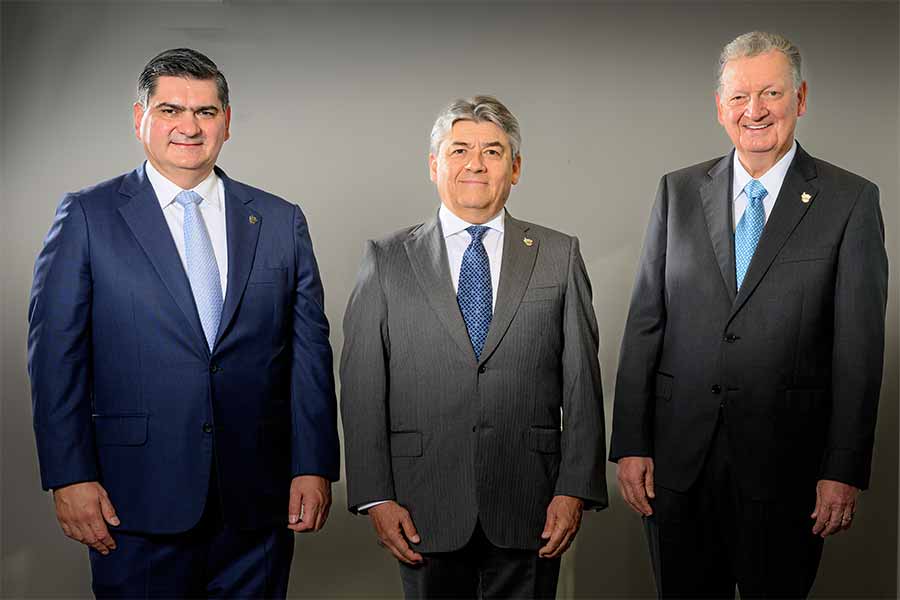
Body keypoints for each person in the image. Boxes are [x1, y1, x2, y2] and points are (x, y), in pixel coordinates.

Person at [27, 48, 339, 598]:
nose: (188, 127)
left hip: (256, 502)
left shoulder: (280, 220)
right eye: (171, 110)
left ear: (227, 122)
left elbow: (309, 354)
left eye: (205, 112)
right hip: (134, 501)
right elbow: (56, 359)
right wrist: (69, 475)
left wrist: (313, 464)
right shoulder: (86, 217)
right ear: (139, 118)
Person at [609, 31, 888, 598]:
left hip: (788, 469)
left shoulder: (850, 200)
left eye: (771, 94)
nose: (754, 111)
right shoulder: (677, 192)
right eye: (739, 97)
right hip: (678, 467)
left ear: (801, 98)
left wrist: (843, 469)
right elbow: (645, 325)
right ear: (720, 107)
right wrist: (631, 442)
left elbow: (858, 349)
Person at [340, 95, 607, 599]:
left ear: (516, 167)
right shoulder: (387, 259)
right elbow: (361, 387)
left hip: (530, 500)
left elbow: (582, 385)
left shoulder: (558, 254)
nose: (476, 165)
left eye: (493, 151)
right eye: (460, 150)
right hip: (422, 504)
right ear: (434, 164)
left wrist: (575, 488)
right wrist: (375, 496)